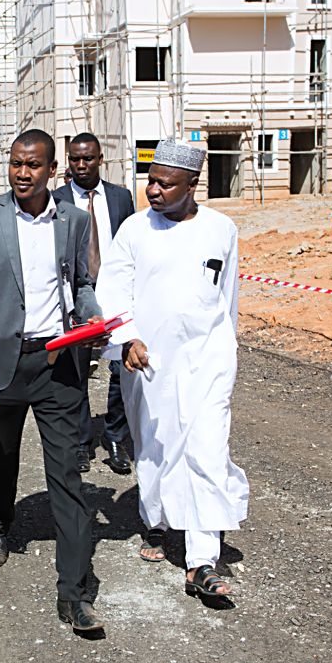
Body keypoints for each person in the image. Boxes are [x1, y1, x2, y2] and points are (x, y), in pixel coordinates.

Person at [0, 128, 107, 633]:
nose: (22, 173)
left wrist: (93, 321)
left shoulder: (74, 221)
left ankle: (75, 591)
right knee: (1, 456)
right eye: (16, 164)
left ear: (52, 170)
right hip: (1, 362)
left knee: (67, 473)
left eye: (33, 165)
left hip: (58, 363)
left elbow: (80, 283)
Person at [95, 138, 250, 602]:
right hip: (149, 362)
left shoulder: (222, 229)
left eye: (166, 184)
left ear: (192, 185)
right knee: (155, 449)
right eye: (151, 181)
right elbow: (112, 290)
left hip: (208, 360)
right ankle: (157, 523)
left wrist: (226, 350)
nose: (154, 191)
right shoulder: (134, 229)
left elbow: (229, 298)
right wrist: (125, 338)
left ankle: (202, 559)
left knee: (206, 449)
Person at [52, 132, 135, 475]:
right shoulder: (54, 200)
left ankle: (116, 438)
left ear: (101, 159)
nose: (81, 165)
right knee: (76, 371)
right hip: (75, 298)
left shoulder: (120, 198)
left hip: (116, 296)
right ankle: (81, 442)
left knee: (120, 369)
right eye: (75, 159)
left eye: (88, 158)